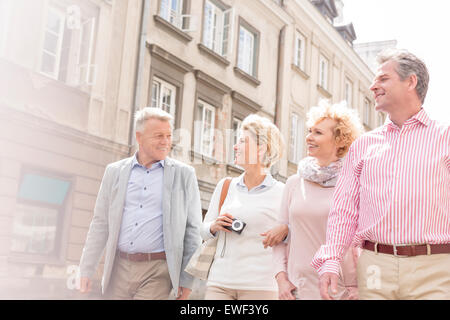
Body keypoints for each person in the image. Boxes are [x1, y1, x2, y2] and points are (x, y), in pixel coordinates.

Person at [312, 49, 450, 300]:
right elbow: (344, 209)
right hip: (375, 266)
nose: (373, 86)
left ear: (411, 81)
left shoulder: (446, 138)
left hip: (436, 268)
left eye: (383, 79)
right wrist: (331, 258)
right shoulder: (363, 146)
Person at [78, 107, 202, 300]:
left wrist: (187, 281)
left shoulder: (184, 175)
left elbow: (193, 231)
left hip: (157, 271)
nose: (165, 141)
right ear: (139, 136)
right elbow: (100, 223)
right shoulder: (114, 172)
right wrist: (86, 268)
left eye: (169, 135)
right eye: (159, 136)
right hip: (117, 268)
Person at [266, 100, 363, 300]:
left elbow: (359, 242)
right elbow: (279, 240)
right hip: (296, 290)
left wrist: (356, 287)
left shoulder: (354, 183)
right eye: (310, 131)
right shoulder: (294, 183)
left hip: (340, 291)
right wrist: (281, 280)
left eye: (318, 133)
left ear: (340, 140)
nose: (309, 137)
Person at [201, 114, 285, 300]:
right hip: (219, 283)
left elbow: (292, 240)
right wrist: (214, 226)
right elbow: (203, 231)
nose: (235, 146)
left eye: (242, 141)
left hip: (261, 287)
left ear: (261, 148)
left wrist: (285, 230)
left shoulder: (282, 192)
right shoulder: (225, 186)